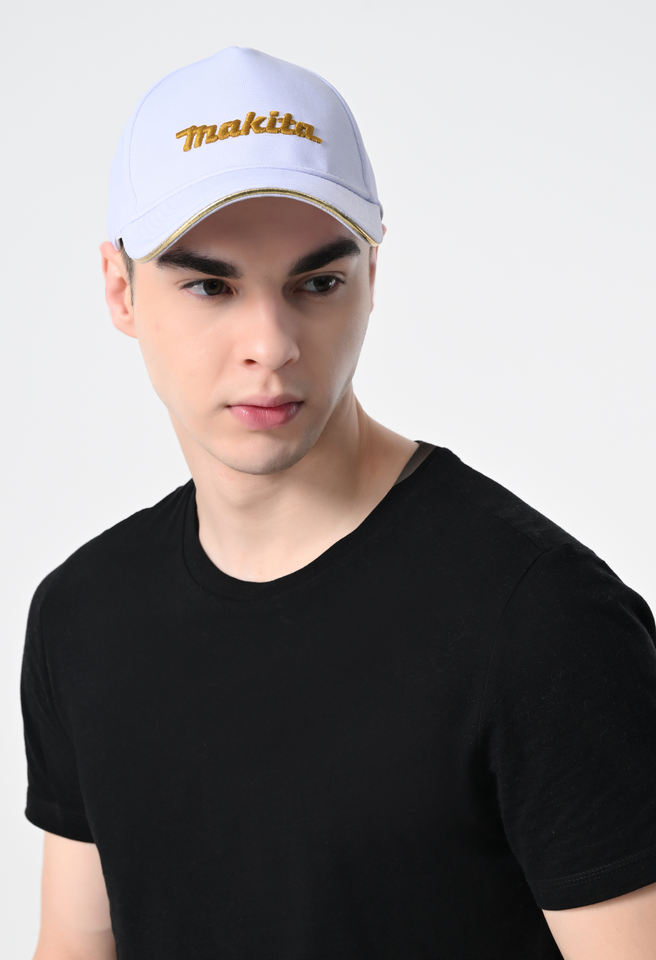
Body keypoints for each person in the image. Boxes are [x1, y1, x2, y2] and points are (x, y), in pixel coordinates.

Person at [19, 45, 656, 960]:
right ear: (121, 290)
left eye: (317, 283)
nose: (271, 345)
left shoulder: (542, 621)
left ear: (371, 279)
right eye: (210, 285)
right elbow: (76, 945)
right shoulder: (82, 615)